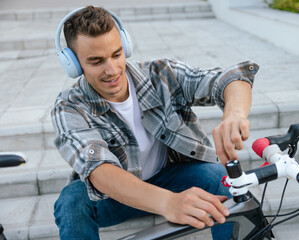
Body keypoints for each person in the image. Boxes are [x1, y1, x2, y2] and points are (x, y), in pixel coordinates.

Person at [52, 5, 259, 240]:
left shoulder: (161, 75)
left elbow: (232, 78)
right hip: (111, 197)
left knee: (220, 178)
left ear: (126, 47)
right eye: (96, 61)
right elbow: (99, 172)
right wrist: (169, 203)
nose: (112, 70)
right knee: (70, 203)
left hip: (169, 178)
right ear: (74, 64)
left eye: (117, 54)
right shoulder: (68, 107)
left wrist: (234, 114)